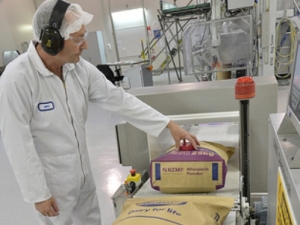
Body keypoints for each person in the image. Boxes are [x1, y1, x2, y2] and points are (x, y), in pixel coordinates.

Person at [0, 0, 199, 224]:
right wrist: (38, 194)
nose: (85, 46)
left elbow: (120, 100)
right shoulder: (17, 78)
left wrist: (168, 125)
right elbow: (17, 142)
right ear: (51, 41)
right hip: (52, 183)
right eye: (78, 39)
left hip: (84, 174)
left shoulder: (78, 69)